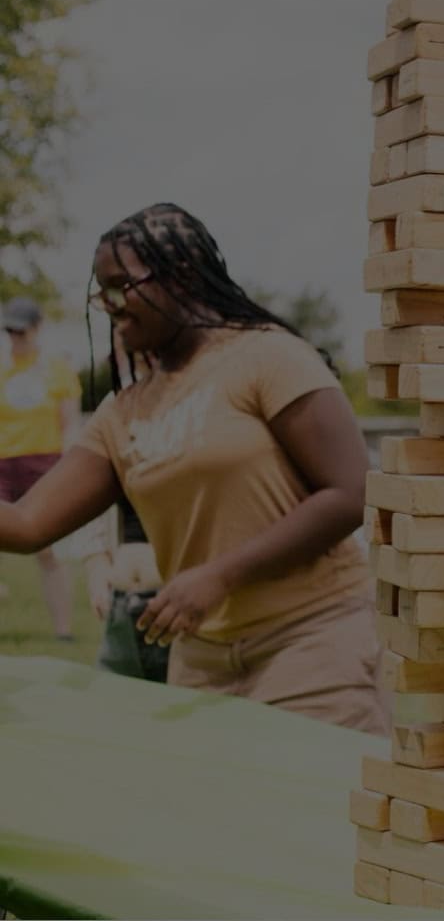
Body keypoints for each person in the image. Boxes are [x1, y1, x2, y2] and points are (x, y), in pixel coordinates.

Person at [0, 202, 384, 734]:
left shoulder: (267, 357)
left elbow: (352, 491)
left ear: (181, 276)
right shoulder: (121, 413)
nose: (107, 304)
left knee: (316, 813)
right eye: (100, 291)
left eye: (120, 286)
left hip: (311, 642)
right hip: (200, 663)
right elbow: (25, 525)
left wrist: (220, 577)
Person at [0, 296, 82, 640]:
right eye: (10, 331)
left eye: (22, 331)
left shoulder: (56, 369)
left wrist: (66, 468)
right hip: (3, 463)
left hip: (43, 464)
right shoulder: (2, 369)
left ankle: (63, 631)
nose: (16, 337)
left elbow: (70, 423)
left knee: (47, 551)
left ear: (37, 329)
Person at [82, 497, 168, 682]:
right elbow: (92, 509)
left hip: (178, 609)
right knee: (110, 706)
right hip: (120, 606)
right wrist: (97, 566)